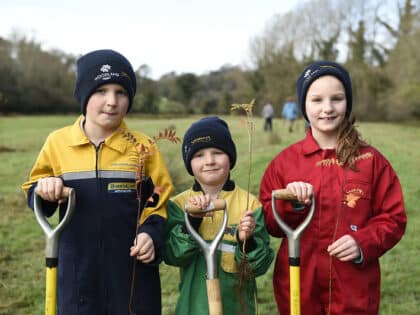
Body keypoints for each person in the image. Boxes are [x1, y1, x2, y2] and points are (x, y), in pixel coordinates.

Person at [22, 49, 173, 315]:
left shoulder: (143, 147)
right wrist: (44, 190)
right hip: (77, 274)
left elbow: (160, 201)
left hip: (132, 274)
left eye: (121, 92)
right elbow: (34, 193)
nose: (112, 101)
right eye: (101, 91)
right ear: (83, 94)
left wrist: (151, 234)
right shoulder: (58, 143)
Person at [259, 61, 407, 315]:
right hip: (299, 286)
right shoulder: (284, 164)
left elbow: (393, 218)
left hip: (354, 290)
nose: (327, 108)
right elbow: (271, 224)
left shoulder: (371, 161)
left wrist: (362, 242)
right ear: (302, 106)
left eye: (336, 98)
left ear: (347, 102)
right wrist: (291, 204)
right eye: (317, 100)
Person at [164, 116, 274, 315]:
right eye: (199, 155)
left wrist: (246, 241)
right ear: (190, 163)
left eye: (217, 152)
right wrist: (192, 221)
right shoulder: (180, 205)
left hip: (238, 309)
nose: (209, 161)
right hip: (193, 309)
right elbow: (173, 255)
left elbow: (258, 267)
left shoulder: (249, 204)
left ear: (230, 157)